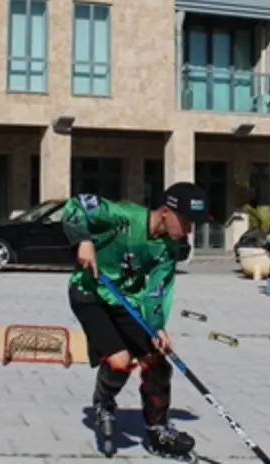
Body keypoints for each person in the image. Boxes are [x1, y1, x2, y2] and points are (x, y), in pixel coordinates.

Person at [64, 183, 207, 461]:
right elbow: (77, 204)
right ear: (166, 212)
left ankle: (158, 429)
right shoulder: (123, 216)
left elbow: (156, 291)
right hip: (89, 293)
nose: (190, 230)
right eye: (186, 221)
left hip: (125, 301)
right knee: (120, 361)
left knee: (157, 361)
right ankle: (103, 403)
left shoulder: (168, 249)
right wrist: (83, 239)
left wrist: (157, 328)